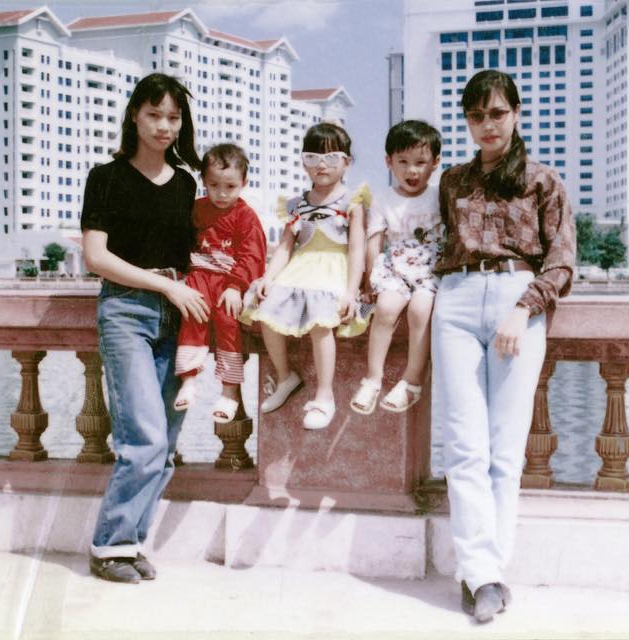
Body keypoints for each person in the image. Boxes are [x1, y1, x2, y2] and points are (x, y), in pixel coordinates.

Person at [431, 70, 576, 622]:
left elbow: (562, 262)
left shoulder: (542, 181)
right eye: (476, 116)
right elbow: (438, 244)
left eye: (496, 113)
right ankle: (482, 575)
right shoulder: (452, 181)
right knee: (463, 446)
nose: (487, 125)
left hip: (518, 300)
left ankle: (487, 572)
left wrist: (524, 306)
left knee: (504, 448)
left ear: (516, 113)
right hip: (456, 300)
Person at [81, 73, 207, 584]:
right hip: (127, 312)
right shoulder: (107, 177)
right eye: (154, 114)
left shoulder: (185, 183)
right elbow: (96, 257)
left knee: (165, 442)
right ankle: (108, 546)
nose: (163, 126)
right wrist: (165, 287)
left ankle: (130, 543)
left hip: (178, 318)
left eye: (173, 117)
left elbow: (191, 253)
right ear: (135, 115)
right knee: (144, 437)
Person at [241, 122, 368, 430]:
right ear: (303, 162)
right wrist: (268, 278)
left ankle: (325, 395)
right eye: (313, 157)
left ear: (347, 162)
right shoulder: (297, 204)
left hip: (334, 268)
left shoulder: (352, 201)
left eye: (331, 158)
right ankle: (285, 376)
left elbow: (356, 249)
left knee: (321, 322)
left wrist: (351, 291)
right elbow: (286, 246)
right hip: (300, 267)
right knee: (266, 310)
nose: (322, 165)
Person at [349, 120, 442, 415]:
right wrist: (368, 282)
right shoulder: (384, 198)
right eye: (403, 161)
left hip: (430, 268)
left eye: (420, 162)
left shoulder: (440, 195)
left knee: (420, 311)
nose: (411, 170)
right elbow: (374, 241)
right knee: (386, 309)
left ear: (435, 163)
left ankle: (412, 381)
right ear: (388, 161)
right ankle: (372, 379)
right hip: (396, 267)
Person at [172, 143, 266, 423]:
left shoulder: (245, 216)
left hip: (228, 281)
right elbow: (180, 240)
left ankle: (229, 390)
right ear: (204, 181)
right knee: (192, 315)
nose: (222, 194)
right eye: (214, 185)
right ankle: (189, 379)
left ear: (244, 183)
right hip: (199, 275)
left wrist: (236, 286)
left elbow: (253, 255)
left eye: (230, 186)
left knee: (228, 323)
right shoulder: (196, 209)